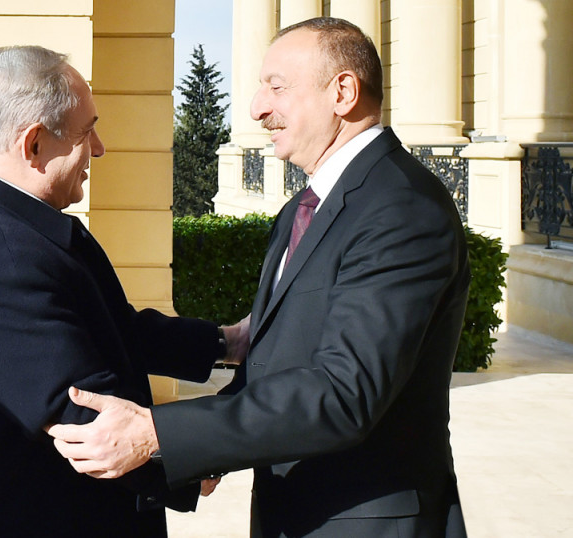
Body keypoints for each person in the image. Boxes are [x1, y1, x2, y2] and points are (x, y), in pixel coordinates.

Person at [47, 17, 471, 537]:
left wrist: (159, 433)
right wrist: (192, 450)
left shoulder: (401, 207)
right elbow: (273, 368)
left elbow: (345, 392)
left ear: (342, 92)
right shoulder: (302, 208)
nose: (256, 108)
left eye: (277, 87)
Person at [0, 45, 241, 537]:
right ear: (33, 143)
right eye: (85, 132)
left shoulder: (16, 228)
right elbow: (87, 415)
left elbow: (115, 331)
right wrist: (210, 445)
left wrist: (227, 342)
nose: (98, 148)